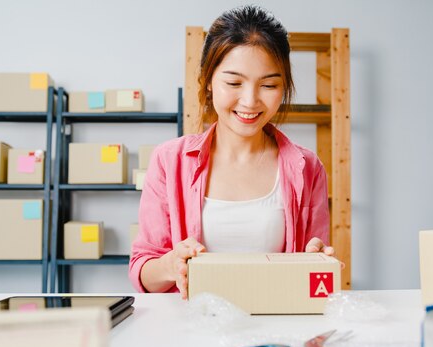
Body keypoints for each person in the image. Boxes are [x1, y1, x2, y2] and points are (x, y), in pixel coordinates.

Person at [129, 5, 333, 299]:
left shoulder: (307, 167)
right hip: (190, 334)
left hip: (276, 331)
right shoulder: (169, 161)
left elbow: (316, 285)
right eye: (234, 82)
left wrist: (317, 264)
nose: (250, 101)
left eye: (269, 85)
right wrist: (169, 265)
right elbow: (143, 273)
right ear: (209, 82)